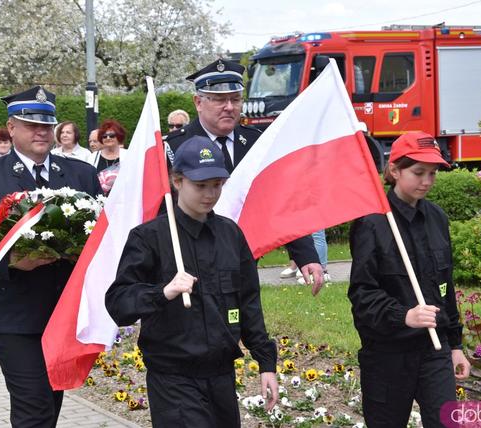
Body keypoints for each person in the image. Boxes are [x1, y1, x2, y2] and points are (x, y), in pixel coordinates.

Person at [0, 86, 102, 428]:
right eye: (30, 124)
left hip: (64, 314)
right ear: (12, 127)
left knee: (49, 404)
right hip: (14, 316)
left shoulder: (81, 174)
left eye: (47, 125)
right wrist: (13, 261)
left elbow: (102, 238)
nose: (41, 131)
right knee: (33, 409)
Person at [106, 136, 278, 427]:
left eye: (216, 185)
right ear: (177, 182)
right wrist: (163, 292)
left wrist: (266, 364)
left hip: (221, 375)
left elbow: (248, 302)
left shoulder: (230, 235)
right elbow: (119, 303)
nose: (210, 194)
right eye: (200, 186)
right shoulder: (149, 238)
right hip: (174, 378)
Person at [166, 58, 324, 292]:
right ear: (198, 102)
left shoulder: (256, 143)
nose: (229, 107)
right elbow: (162, 210)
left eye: (236, 99)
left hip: (243, 261)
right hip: (189, 266)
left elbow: (279, 199)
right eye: (219, 99)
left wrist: (306, 255)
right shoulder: (174, 147)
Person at [347, 131, 470, 427]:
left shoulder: (437, 218)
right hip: (387, 355)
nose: (427, 181)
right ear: (394, 170)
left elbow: (446, 288)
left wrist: (455, 345)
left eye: (433, 173)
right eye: (418, 173)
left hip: (434, 350)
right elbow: (362, 295)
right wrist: (405, 315)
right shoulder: (371, 223)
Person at [91, 119, 128, 194]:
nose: (108, 138)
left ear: (119, 136)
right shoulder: (92, 157)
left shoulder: (128, 156)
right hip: (98, 200)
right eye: (104, 136)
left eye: (112, 135)